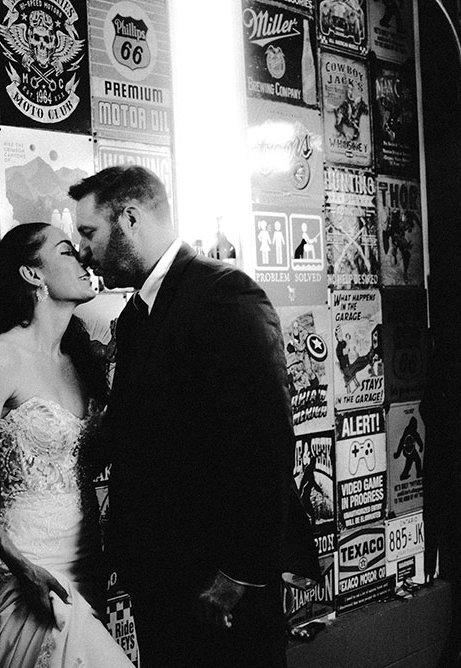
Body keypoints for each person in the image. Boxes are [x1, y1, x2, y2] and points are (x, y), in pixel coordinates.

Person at [69, 165, 301, 668]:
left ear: (129, 218)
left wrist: (241, 573)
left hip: (219, 584)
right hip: (160, 579)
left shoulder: (225, 295)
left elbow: (266, 442)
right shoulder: (133, 316)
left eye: (89, 233)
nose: (84, 252)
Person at [0, 223, 133, 667]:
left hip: (86, 554)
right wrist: (21, 566)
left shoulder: (79, 361)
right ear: (33, 275)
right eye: (67, 251)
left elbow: (80, 462)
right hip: (24, 557)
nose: (83, 260)